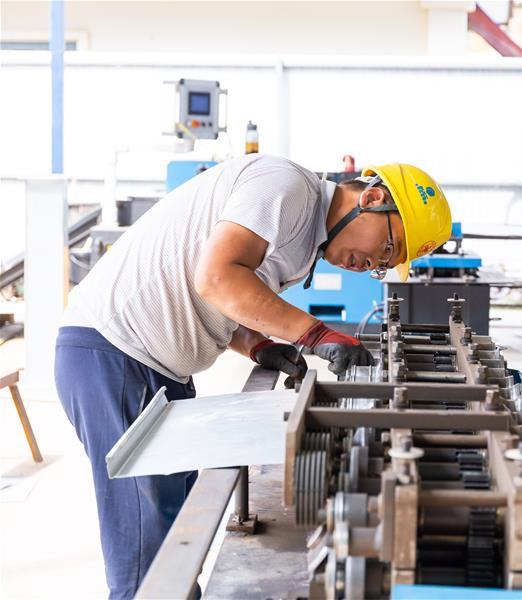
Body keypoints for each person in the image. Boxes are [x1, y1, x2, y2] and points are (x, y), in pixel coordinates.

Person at [54, 154, 452, 599]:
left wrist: (258, 345)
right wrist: (314, 333)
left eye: (385, 264)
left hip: (152, 366)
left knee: (174, 533)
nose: (372, 265)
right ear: (373, 198)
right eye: (386, 249)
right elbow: (216, 277)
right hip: (115, 355)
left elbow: (227, 299)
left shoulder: (304, 240)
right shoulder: (286, 188)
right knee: (148, 564)